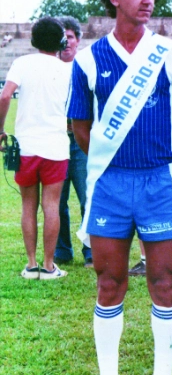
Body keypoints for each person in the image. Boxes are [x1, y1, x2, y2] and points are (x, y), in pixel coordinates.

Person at [66, 0, 172, 375]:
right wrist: (114, 162)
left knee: (164, 281)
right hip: (109, 184)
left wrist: (162, 165)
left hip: (159, 182)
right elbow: (81, 127)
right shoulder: (87, 60)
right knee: (109, 282)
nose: (148, 0)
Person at [0, 17, 70, 280]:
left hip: (26, 146)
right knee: (51, 206)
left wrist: (0, 130)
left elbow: (5, 95)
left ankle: (31, 265)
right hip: (56, 146)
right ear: (61, 41)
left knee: (28, 206)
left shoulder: (22, 63)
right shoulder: (67, 69)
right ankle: (49, 266)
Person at [54, 17, 93, 268]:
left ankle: (91, 250)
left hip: (81, 139)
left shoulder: (87, 65)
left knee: (87, 197)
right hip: (56, 138)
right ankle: (62, 251)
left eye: (69, 36)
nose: (66, 41)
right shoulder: (49, 67)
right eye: (62, 37)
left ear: (78, 40)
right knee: (57, 200)